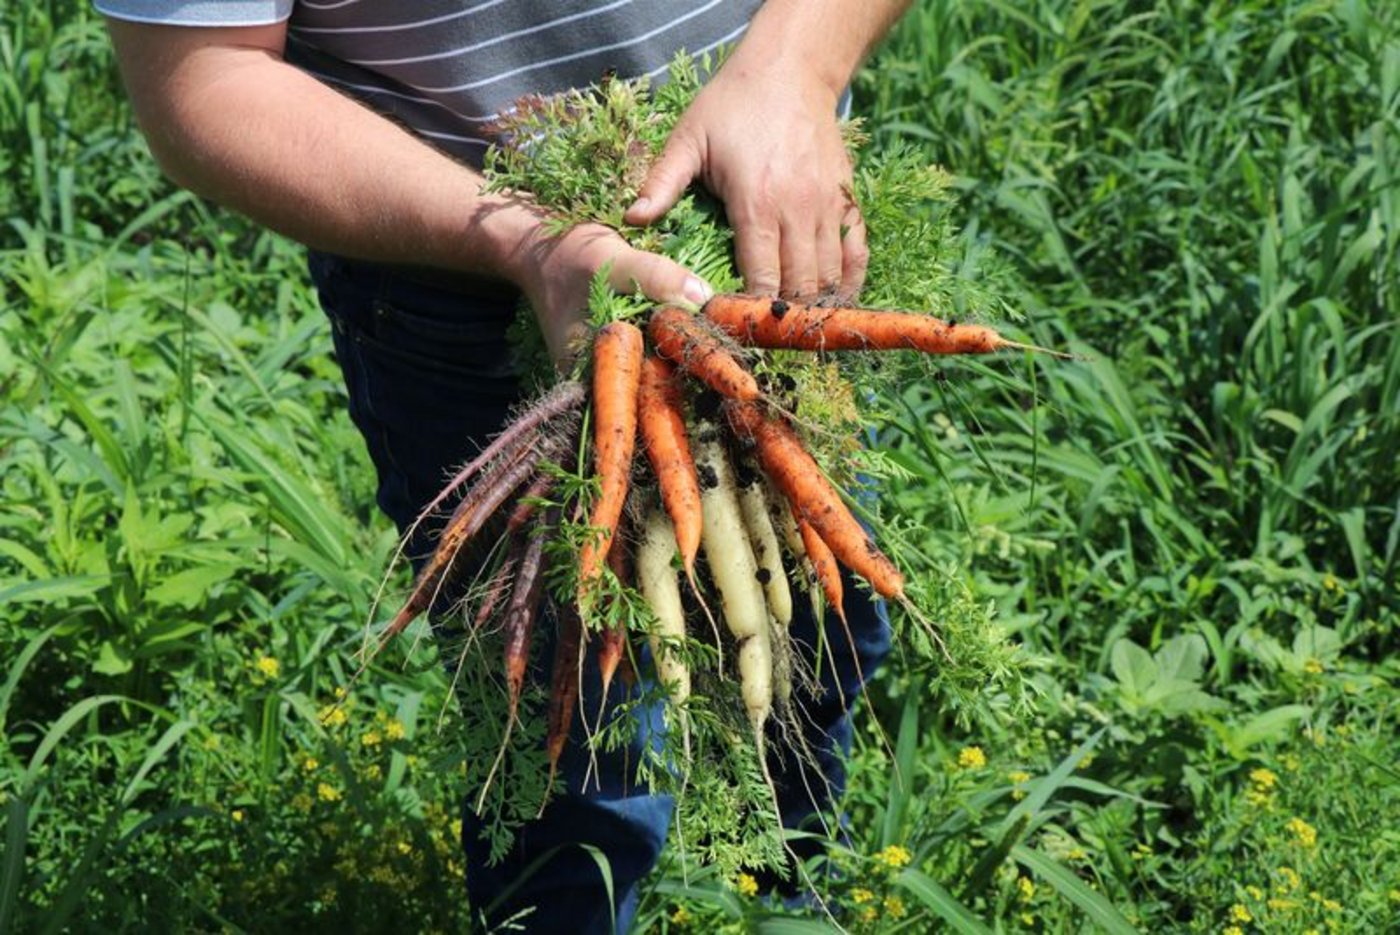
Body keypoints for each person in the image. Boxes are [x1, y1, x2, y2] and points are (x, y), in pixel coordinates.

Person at [99, 2, 909, 930]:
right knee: (571, 746)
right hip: (463, 280)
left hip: (777, 232)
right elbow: (200, 76)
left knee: (819, 629)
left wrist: (796, 68)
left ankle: (794, 903)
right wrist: (530, 244)